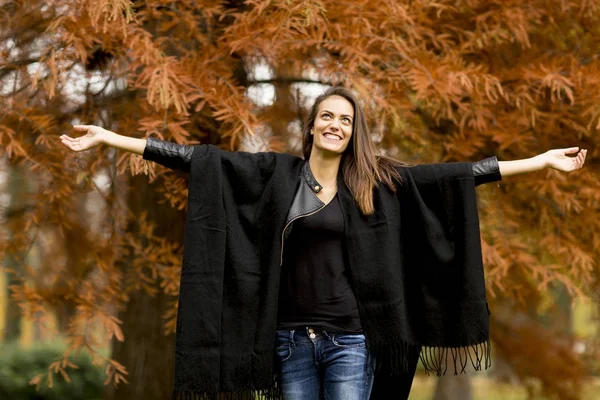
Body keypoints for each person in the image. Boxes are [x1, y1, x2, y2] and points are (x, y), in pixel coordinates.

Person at [60, 86, 586, 400]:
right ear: (311, 127)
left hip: (352, 343)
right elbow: (198, 159)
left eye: (346, 119)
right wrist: (111, 138)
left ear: (354, 132)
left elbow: (457, 176)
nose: (336, 125)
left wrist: (539, 161)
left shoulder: (379, 182)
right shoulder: (276, 175)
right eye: (327, 117)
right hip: (290, 341)